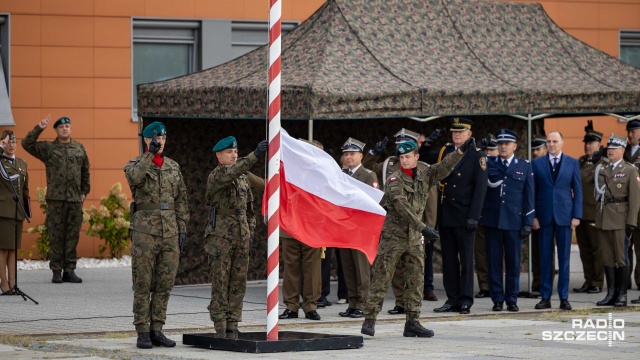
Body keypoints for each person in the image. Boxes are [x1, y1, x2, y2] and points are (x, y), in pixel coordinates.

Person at [361, 138, 468, 338]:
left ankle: (412, 321)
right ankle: (370, 319)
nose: (404, 161)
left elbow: (444, 167)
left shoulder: (425, 174)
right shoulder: (394, 180)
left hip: (414, 238)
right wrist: (423, 227)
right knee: (382, 278)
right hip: (393, 237)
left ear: (417, 157)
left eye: (408, 157)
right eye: (401, 157)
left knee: (416, 279)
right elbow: (403, 208)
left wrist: (460, 152)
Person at [124, 121, 189, 349]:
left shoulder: (173, 167)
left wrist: (181, 227)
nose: (159, 141)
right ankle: (142, 331)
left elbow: (181, 200)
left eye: (162, 138)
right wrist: (148, 155)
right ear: (146, 139)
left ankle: (157, 329)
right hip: (145, 233)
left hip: (169, 232)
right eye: (155, 138)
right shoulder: (136, 163)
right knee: (143, 283)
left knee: (165, 284)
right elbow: (133, 178)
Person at [364, 128, 440, 316]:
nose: (402, 151)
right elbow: (366, 168)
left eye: (406, 146)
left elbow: (429, 200)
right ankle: (399, 302)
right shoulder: (389, 164)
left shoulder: (422, 167)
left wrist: (427, 225)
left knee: (416, 270)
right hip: (392, 224)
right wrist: (374, 153)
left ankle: (412, 306)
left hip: (416, 228)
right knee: (391, 269)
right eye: (398, 145)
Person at [205, 136, 268, 334]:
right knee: (221, 281)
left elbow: (248, 208)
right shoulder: (217, 175)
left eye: (235, 152)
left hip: (241, 235)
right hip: (220, 238)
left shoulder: (242, 178)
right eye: (229, 152)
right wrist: (255, 154)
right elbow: (233, 171)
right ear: (219, 155)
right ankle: (220, 324)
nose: (234, 155)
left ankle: (233, 322)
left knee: (238, 282)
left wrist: (249, 229)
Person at [22, 115, 89, 284]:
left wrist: (84, 192)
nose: (65, 128)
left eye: (67, 126)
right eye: (61, 127)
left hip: (74, 200)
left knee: (72, 235)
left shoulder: (79, 148)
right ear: (56, 130)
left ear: (71, 129)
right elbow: (26, 144)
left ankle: (70, 271)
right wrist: (39, 127)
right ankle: (56, 271)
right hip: (56, 200)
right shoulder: (49, 149)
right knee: (56, 235)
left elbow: (85, 172)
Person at [434, 118, 488, 315]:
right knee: (449, 261)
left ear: (469, 134)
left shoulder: (477, 156)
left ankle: (465, 300)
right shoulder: (447, 153)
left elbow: (480, 188)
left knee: (466, 261)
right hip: (447, 214)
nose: (457, 135)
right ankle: (452, 299)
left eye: (461, 132)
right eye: (454, 132)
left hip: (465, 216)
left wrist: (474, 216)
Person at [480, 129, 534, 312]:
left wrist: (528, 221)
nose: (503, 146)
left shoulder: (524, 166)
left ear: (514, 146)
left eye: (506, 144)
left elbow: (529, 195)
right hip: (493, 220)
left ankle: (512, 298)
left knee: (513, 262)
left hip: (514, 221)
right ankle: (497, 299)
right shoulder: (489, 163)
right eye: (500, 144)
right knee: (494, 262)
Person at [532, 131, 582, 311]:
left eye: (555, 141)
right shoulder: (537, 163)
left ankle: (564, 297)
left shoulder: (572, 162)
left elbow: (578, 190)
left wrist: (576, 215)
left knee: (564, 259)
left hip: (565, 216)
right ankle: (545, 297)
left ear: (562, 143)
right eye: (549, 141)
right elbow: (532, 192)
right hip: (544, 217)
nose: (551, 144)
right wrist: (534, 216)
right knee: (545, 259)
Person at [595, 134, 640, 307]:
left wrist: (631, 221)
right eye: (609, 148)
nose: (611, 150)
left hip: (621, 219)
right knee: (607, 258)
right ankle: (611, 293)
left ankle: (622, 294)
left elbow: (635, 199)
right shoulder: (602, 168)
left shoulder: (630, 170)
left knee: (621, 258)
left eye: (614, 148)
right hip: (603, 217)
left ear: (622, 150)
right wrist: (594, 162)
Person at [337, 138, 377, 319]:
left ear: (361, 156)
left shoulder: (368, 175)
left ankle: (363, 303)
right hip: (344, 227)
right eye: (346, 154)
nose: (348, 157)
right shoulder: (340, 174)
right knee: (348, 267)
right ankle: (352, 302)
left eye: (352, 154)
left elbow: (373, 202)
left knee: (362, 269)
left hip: (360, 228)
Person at [574, 122, 605, 294]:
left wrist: (591, 164)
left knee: (596, 250)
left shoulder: (602, 163)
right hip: (580, 212)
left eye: (591, 143)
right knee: (584, 250)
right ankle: (588, 280)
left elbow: (583, 179)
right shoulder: (581, 161)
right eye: (586, 143)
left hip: (595, 212)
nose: (588, 146)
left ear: (599, 144)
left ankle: (597, 282)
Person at [0, 131, 30, 295]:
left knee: (13, 249)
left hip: (18, 211)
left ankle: (12, 284)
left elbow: (25, 190)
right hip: (3, 211)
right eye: (7, 142)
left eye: (14, 142)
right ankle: (3, 283)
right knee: (3, 248)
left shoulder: (22, 163)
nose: (11, 145)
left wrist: (27, 209)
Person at [474, 133, 499, 299]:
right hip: (482, 213)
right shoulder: (479, 165)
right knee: (481, 253)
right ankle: (484, 285)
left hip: (498, 215)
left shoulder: (502, 165)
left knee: (497, 253)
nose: (489, 153)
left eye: (493, 149)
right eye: (486, 150)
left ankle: (497, 284)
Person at [623, 120, 640, 291]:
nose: (630, 134)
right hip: (625, 208)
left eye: (634, 131)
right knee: (625, 247)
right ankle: (624, 282)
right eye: (628, 131)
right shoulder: (624, 151)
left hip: (639, 209)